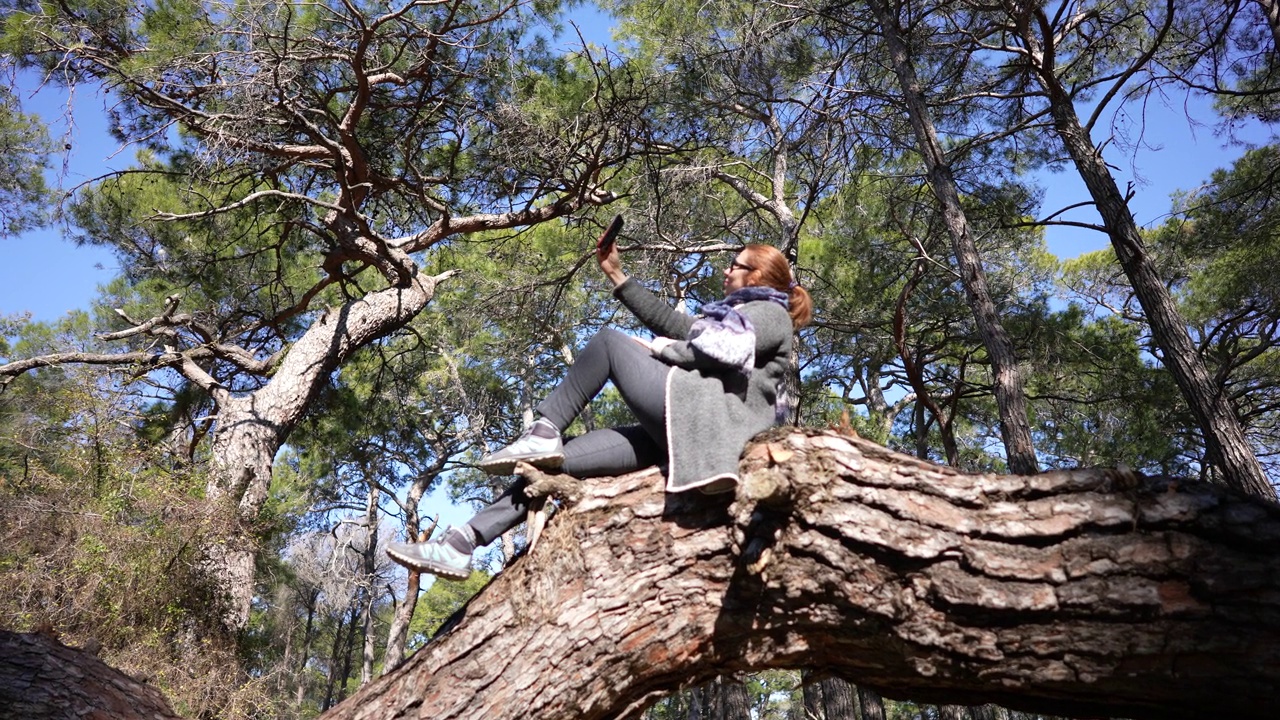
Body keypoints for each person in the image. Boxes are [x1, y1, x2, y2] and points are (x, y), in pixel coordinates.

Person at [386, 236, 813, 579]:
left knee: (609, 342)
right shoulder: (736, 314)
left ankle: (544, 425)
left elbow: (719, 350)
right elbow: (683, 327)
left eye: (735, 264)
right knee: (549, 464)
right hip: (682, 432)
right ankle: (462, 543)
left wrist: (664, 350)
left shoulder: (768, 312)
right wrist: (616, 275)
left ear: (757, 274)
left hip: (703, 422)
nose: (726, 270)